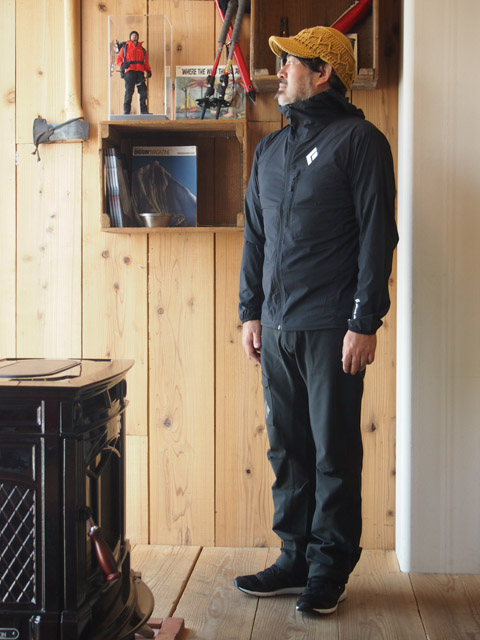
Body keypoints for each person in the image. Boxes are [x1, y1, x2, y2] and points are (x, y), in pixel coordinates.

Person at [234, 26, 398, 615]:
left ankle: (329, 568)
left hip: (333, 328)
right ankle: (294, 559)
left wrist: (365, 321)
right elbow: (255, 237)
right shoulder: (270, 151)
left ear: (323, 72)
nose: (279, 72)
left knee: (333, 452)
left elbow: (378, 237)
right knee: (288, 451)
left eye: (290, 63)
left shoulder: (361, 142)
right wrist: (250, 311)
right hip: (276, 329)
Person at [116, 31, 152, 115]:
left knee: (143, 91)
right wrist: (122, 65)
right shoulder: (125, 48)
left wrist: (148, 70)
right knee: (129, 91)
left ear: (138, 37)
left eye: (136, 35)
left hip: (140, 71)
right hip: (130, 71)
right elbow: (119, 59)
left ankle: (143, 110)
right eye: (133, 35)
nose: (134, 37)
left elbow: (145, 62)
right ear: (130, 37)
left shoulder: (142, 50)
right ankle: (126, 110)